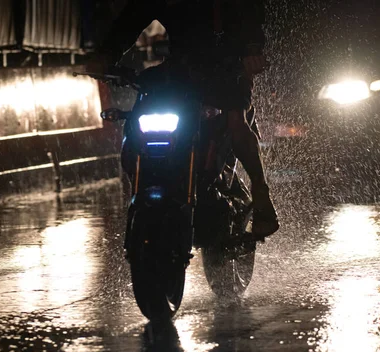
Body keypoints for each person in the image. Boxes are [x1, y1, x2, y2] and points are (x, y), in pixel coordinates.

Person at [91, 0, 279, 239]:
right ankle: (148, 180)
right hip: (180, 69)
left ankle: (261, 195)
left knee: (235, 120)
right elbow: (133, 17)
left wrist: (252, 50)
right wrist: (107, 55)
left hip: (227, 67)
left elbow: (249, 15)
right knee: (143, 105)